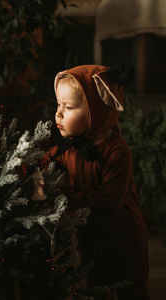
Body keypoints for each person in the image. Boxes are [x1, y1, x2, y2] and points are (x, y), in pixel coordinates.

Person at [40, 65, 150, 300]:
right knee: (97, 288)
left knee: (130, 288)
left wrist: (65, 201)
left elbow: (110, 200)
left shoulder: (116, 150)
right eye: (58, 105)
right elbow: (41, 165)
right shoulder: (66, 147)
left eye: (68, 107)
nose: (58, 114)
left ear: (96, 112)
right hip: (91, 238)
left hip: (123, 239)